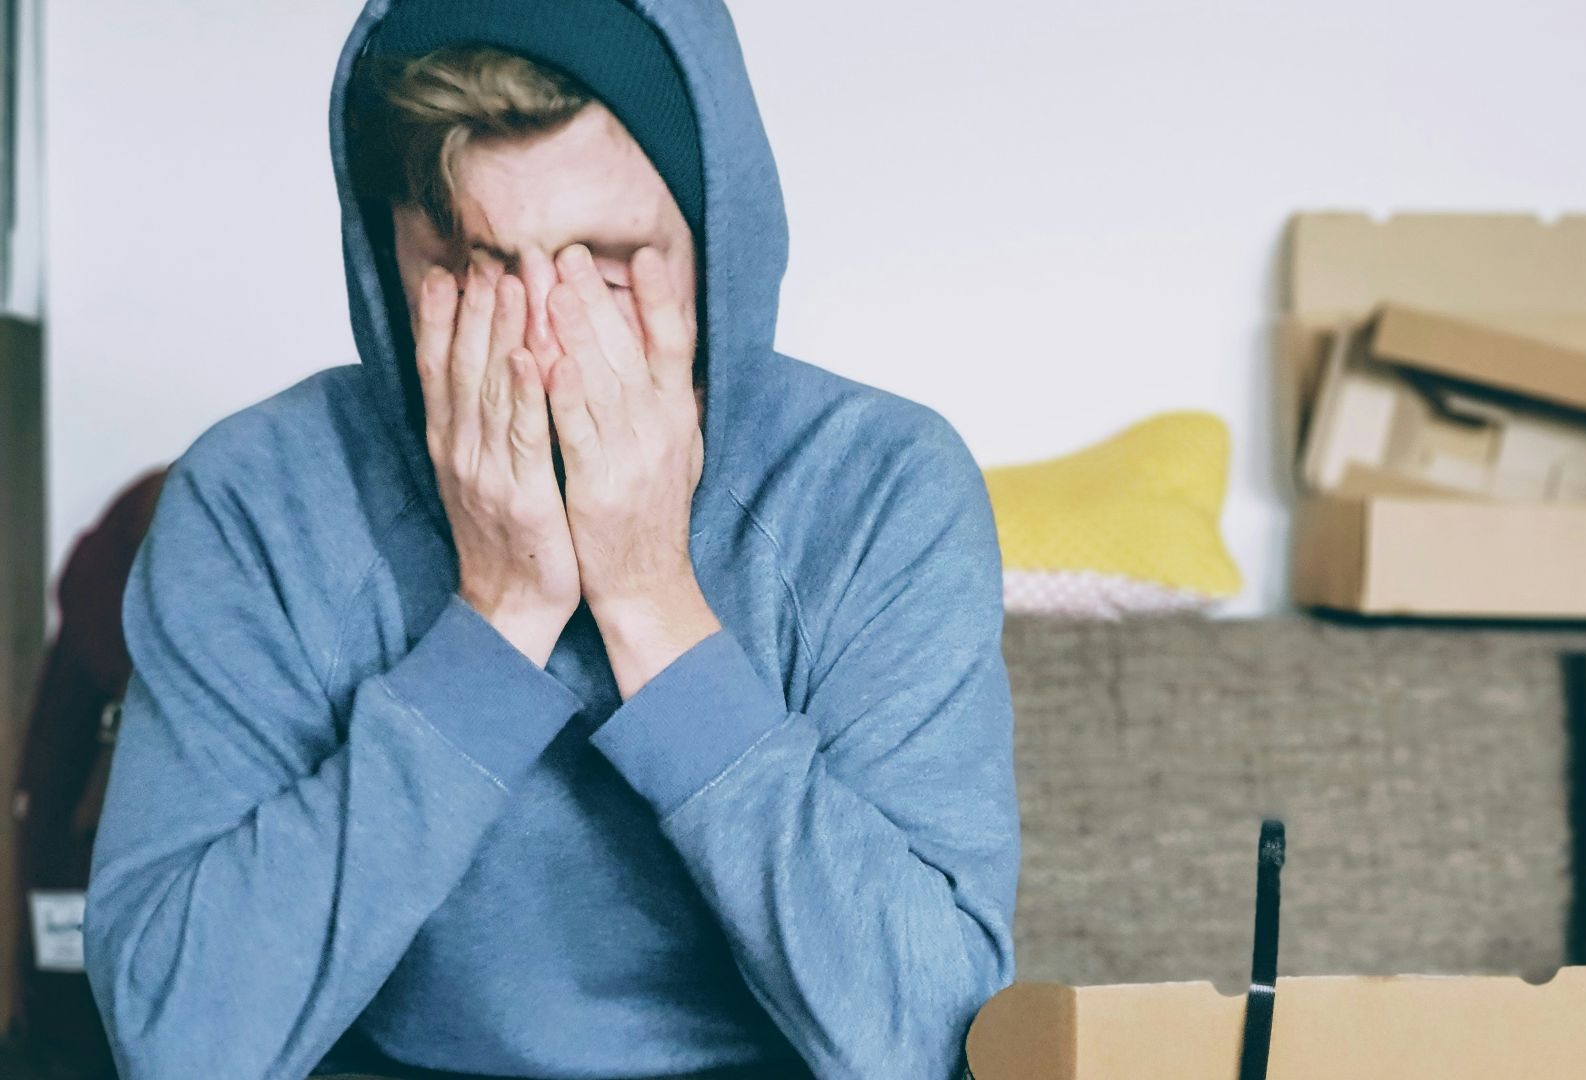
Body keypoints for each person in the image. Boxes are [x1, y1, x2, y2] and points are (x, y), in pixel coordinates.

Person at [79, 2, 1021, 1078]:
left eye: (607, 269)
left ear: (717, 248)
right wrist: (498, 619)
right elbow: (178, 1044)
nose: (540, 343)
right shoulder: (256, 497)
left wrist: (653, 606)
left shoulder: (882, 486)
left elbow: (933, 1041)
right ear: (388, 258)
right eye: (475, 267)